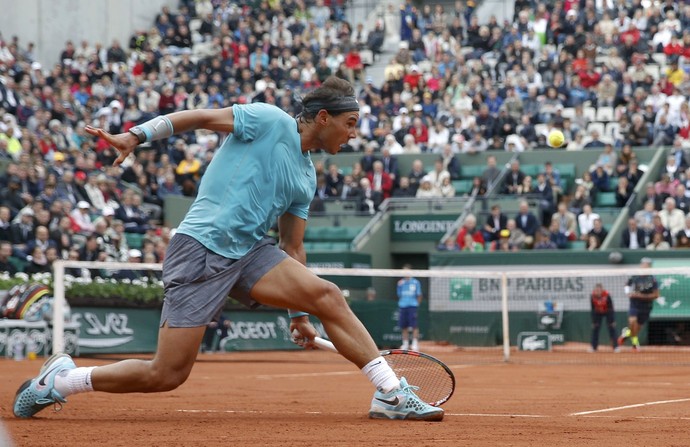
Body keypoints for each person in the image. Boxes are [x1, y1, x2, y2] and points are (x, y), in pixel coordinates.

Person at [14, 77, 443, 421]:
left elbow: (292, 247)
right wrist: (137, 136)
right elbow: (198, 118)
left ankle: (390, 393)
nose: (353, 135)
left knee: (326, 295)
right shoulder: (268, 120)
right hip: (201, 247)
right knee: (165, 375)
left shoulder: (307, 177)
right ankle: (62, 380)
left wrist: (299, 314)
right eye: (350, 124)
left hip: (251, 253)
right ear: (324, 117)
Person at [618, 257, 660, 351]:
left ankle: (627, 333)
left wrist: (640, 295)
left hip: (646, 306)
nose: (644, 266)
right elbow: (627, 284)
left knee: (637, 327)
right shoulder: (635, 276)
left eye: (647, 265)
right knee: (633, 322)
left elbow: (656, 295)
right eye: (643, 264)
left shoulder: (653, 279)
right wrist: (628, 292)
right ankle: (635, 344)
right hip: (635, 304)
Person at [396, 264, 423, 352]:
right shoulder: (400, 283)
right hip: (403, 306)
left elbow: (419, 295)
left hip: (412, 306)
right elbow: (399, 295)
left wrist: (416, 305)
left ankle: (414, 344)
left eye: (406, 271)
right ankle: (405, 344)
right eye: (403, 271)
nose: (405, 273)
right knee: (404, 326)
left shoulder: (415, 282)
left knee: (414, 326)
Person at [589, 283, 619, 353]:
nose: (598, 292)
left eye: (599, 290)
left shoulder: (607, 295)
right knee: (595, 329)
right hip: (597, 313)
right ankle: (594, 347)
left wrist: (612, 320)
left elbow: (611, 307)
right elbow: (593, 309)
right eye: (596, 290)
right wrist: (593, 321)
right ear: (594, 290)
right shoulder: (592, 296)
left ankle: (616, 347)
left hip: (607, 312)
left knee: (612, 328)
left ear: (602, 290)